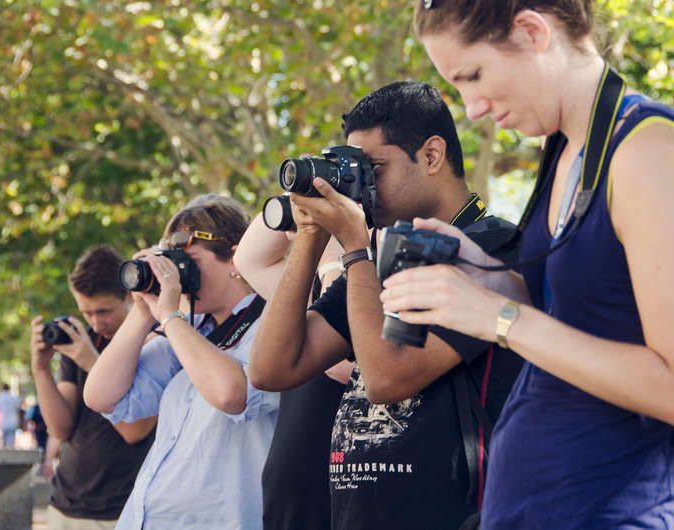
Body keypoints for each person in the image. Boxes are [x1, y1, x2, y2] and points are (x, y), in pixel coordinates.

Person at [378, 2, 674, 528]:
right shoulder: (566, 148)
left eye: (473, 76)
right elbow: (583, 318)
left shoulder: (648, 152)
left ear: (533, 31)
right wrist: (484, 274)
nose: (470, 108)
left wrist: (497, 316)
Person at [250, 81, 524, 530]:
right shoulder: (381, 265)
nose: (363, 188)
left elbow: (385, 378)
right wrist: (311, 235)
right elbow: (271, 368)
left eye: (373, 168)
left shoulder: (493, 251)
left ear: (432, 156)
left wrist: (355, 248)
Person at [84, 194, 279, 530]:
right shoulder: (189, 331)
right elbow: (102, 396)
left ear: (235, 258)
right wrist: (144, 311)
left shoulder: (273, 321)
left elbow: (233, 394)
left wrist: (171, 315)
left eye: (188, 261)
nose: (178, 274)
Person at [234, 214, 353, 530]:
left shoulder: (378, 279)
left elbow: (342, 368)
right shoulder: (309, 286)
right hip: (288, 503)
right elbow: (249, 259)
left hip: (338, 496)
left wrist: (331, 263)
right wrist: (305, 189)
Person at [30, 245, 156, 529]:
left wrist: (92, 362)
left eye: (104, 311)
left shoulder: (153, 338)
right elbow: (61, 429)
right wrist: (40, 370)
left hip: (122, 511)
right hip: (65, 505)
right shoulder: (81, 342)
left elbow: (135, 431)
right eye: (87, 313)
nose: (96, 323)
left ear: (129, 295)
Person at [0, 383, 21, 448]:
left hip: (2, 421)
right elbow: (18, 409)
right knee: (11, 441)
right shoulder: (14, 397)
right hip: (13, 421)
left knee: (3, 441)